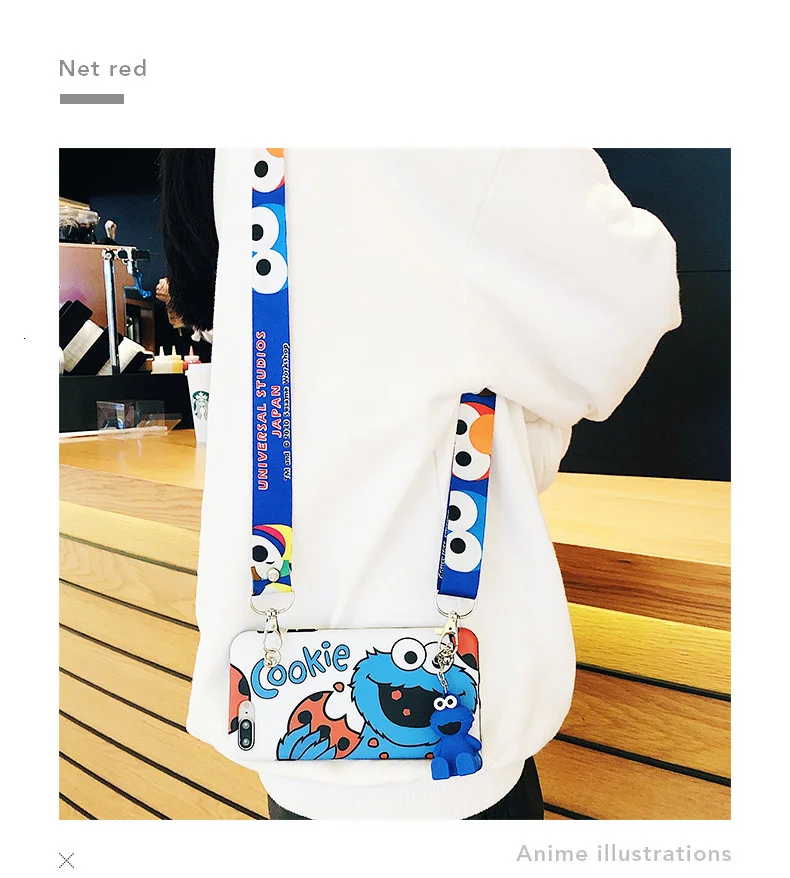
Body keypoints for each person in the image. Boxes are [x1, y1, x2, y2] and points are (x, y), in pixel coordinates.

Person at [159, 148, 680, 820]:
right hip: (454, 777)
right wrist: (524, 428)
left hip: (289, 748)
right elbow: (631, 296)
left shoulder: (253, 146)